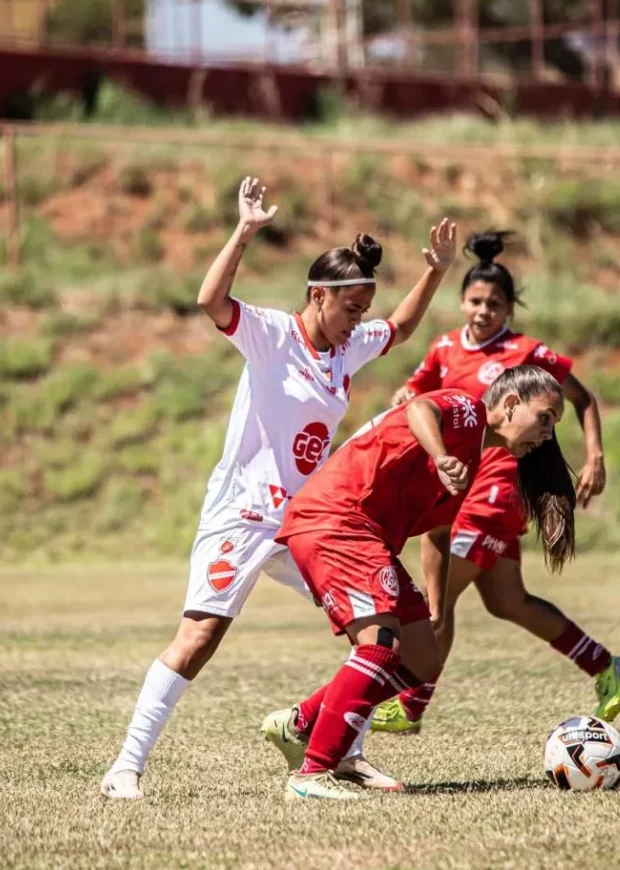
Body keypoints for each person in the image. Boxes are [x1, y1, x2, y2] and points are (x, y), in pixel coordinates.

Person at [100, 177, 458, 799]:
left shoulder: (347, 348)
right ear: (319, 295)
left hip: (308, 522)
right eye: (351, 309)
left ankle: (343, 753)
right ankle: (124, 768)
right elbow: (210, 300)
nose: (358, 323)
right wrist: (243, 232)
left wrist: (436, 271)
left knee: (377, 632)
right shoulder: (270, 333)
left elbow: (400, 326)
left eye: (363, 312)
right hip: (241, 515)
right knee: (199, 638)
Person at [262, 365, 576, 800]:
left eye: (554, 423)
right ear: (509, 404)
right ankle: (311, 775)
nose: (547, 433)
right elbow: (419, 409)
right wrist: (440, 455)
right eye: (545, 417)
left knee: (423, 657)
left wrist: (437, 605)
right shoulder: (466, 410)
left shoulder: (475, 459)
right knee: (380, 645)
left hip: (365, 535)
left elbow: (439, 534)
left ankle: (299, 724)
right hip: (336, 520)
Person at [371, 230, 620, 736]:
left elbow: (582, 398)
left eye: (494, 303)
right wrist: (404, 393)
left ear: (509, 308)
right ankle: (607, 666)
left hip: (493, 492)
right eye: (475, 301)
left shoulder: (525, 351)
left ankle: (409, 705)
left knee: (437, 600)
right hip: (458, 488)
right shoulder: (445, 347)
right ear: (462, 302)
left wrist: (595, 456)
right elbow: (418, 392)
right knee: (506, 601)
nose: (483, 311)